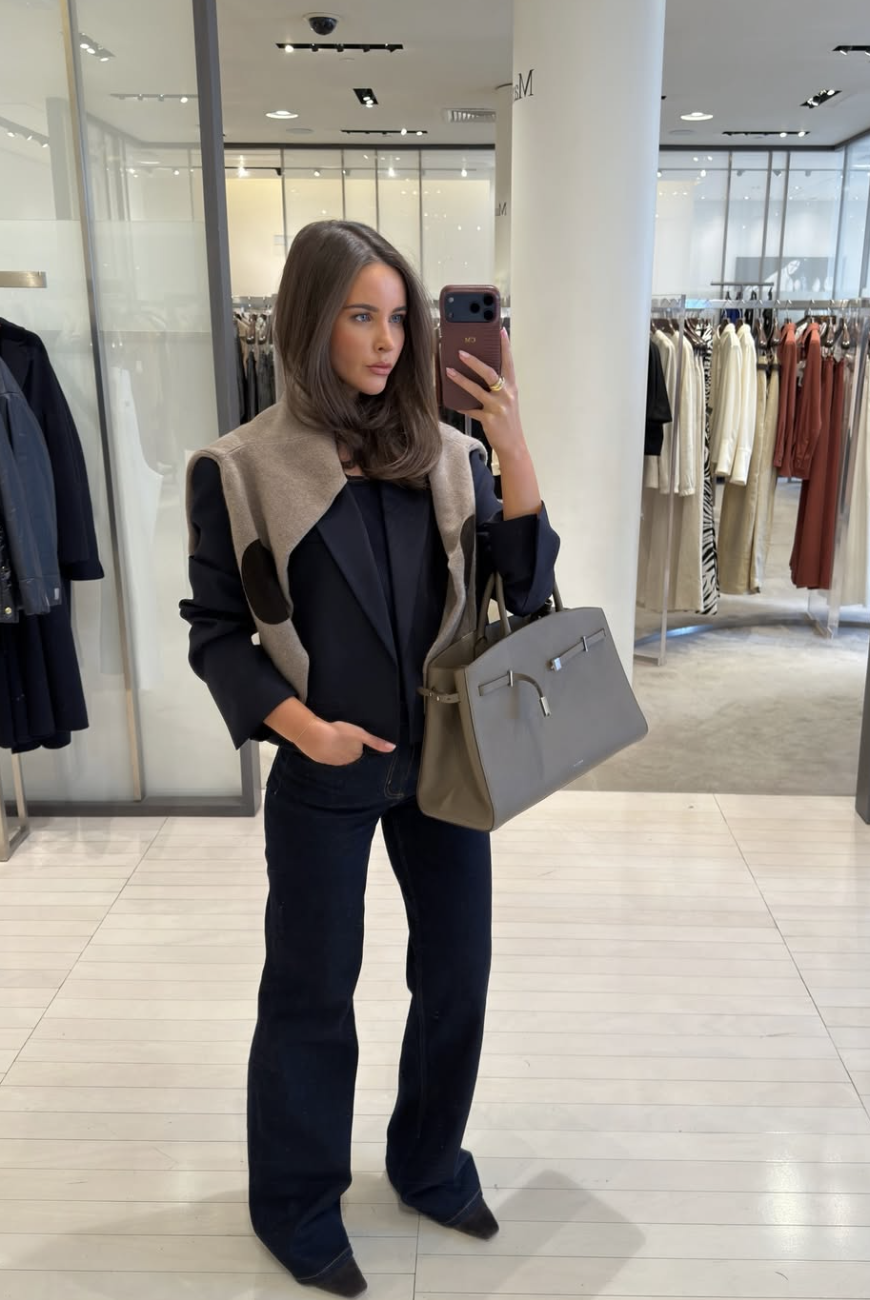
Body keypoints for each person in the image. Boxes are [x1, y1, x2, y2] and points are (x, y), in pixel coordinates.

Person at [180, 221, 559, 1296]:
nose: (388, 341)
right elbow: (215, 631)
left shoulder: (444, 453)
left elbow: (526, 588)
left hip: (445, 764)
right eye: (361, 316)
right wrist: (306, 730)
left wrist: (512, 438)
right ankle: (296, 1202)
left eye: (401, 317)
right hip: (326, 767)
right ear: (310, 320)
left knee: (459, 975)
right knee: (311, 990)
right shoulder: (244, 466)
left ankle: (429, 1162)